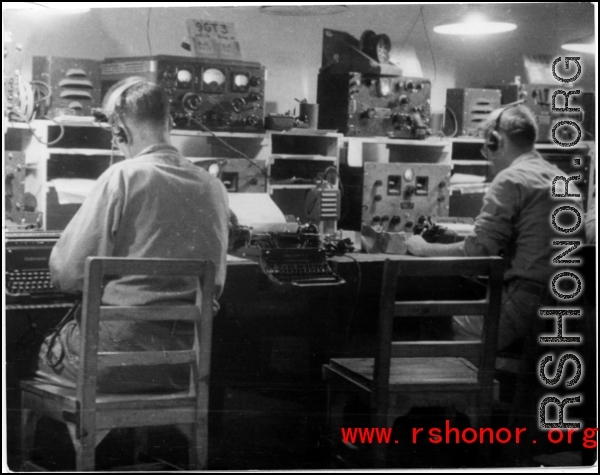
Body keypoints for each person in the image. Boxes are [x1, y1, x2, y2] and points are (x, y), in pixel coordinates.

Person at [36, 77, 230, 392]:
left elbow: (68, 274)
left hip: (113, 360)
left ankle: (88, 438)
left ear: (119, 132)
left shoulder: (122, 177)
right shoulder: (214, 187)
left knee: (40, 349)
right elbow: (217, 279)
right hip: (184, 366)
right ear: (170, 121)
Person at [406, 104, 585, 351]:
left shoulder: (511, 178)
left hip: (521, 311)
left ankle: (445, 384)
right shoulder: (563, 181)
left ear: (495, 140)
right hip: (561, 314)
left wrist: (423, 248)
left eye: (486, 147)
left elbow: (477, 251)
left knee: (428, 321)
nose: (487, 158)